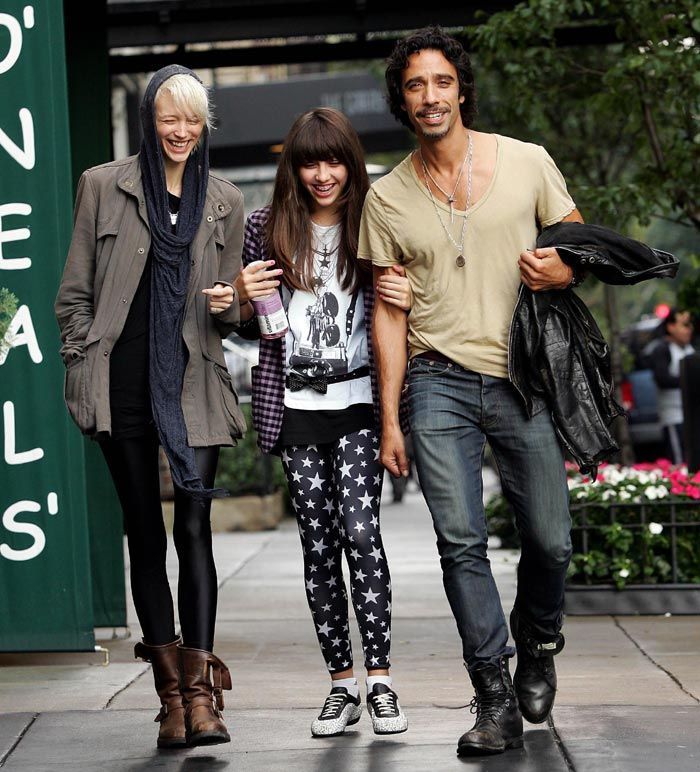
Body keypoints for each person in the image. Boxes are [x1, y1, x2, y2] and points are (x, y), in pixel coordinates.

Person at [359, 27, 585, 756]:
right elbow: (387, 315)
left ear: (461, 88)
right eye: (416, 85)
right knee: (461, 543)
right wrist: (389, 417)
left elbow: (575, 239)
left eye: (442, 82)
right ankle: (493, 694)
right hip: (435, 381)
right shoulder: (387, 197)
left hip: (522, 376)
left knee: (550, 539)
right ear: (402, 98)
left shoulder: (526, 161)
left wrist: (564, 269)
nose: (430, 96)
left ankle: (539, 638)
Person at [55, 65, 246, 749]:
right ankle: (169, 698)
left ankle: (201, 698)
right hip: (122, 382)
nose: (182, 131)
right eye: (170, 117)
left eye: (193, 120)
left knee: (194, 528)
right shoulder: (104, 186)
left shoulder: (224, 199)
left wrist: (237, 302)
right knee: (144, 530)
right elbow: (72, 293)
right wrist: (84, 357)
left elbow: (237, 306)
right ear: (148, 119)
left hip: (191, 380)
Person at [233, 107, 411, 738]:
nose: (323, 173)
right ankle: (341, 683)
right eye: (310, 161)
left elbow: (403, 304)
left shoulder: (374, 221)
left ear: (351, 163)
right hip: (298, 407)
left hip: (359, 402)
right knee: (318, 548)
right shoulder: (264, 228)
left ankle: (381, 679)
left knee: (361, 535)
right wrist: (238, 293)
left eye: (334, 159)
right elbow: (245, 317)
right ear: (294, 167)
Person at [650, 308, 695, 463]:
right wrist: (689, 380)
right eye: (685, 325)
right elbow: (662, 379)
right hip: (674, 417)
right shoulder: (662, 349)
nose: (690, 329)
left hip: (693, 416)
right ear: (671, 327)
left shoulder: (691, 347)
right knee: (681, 462)